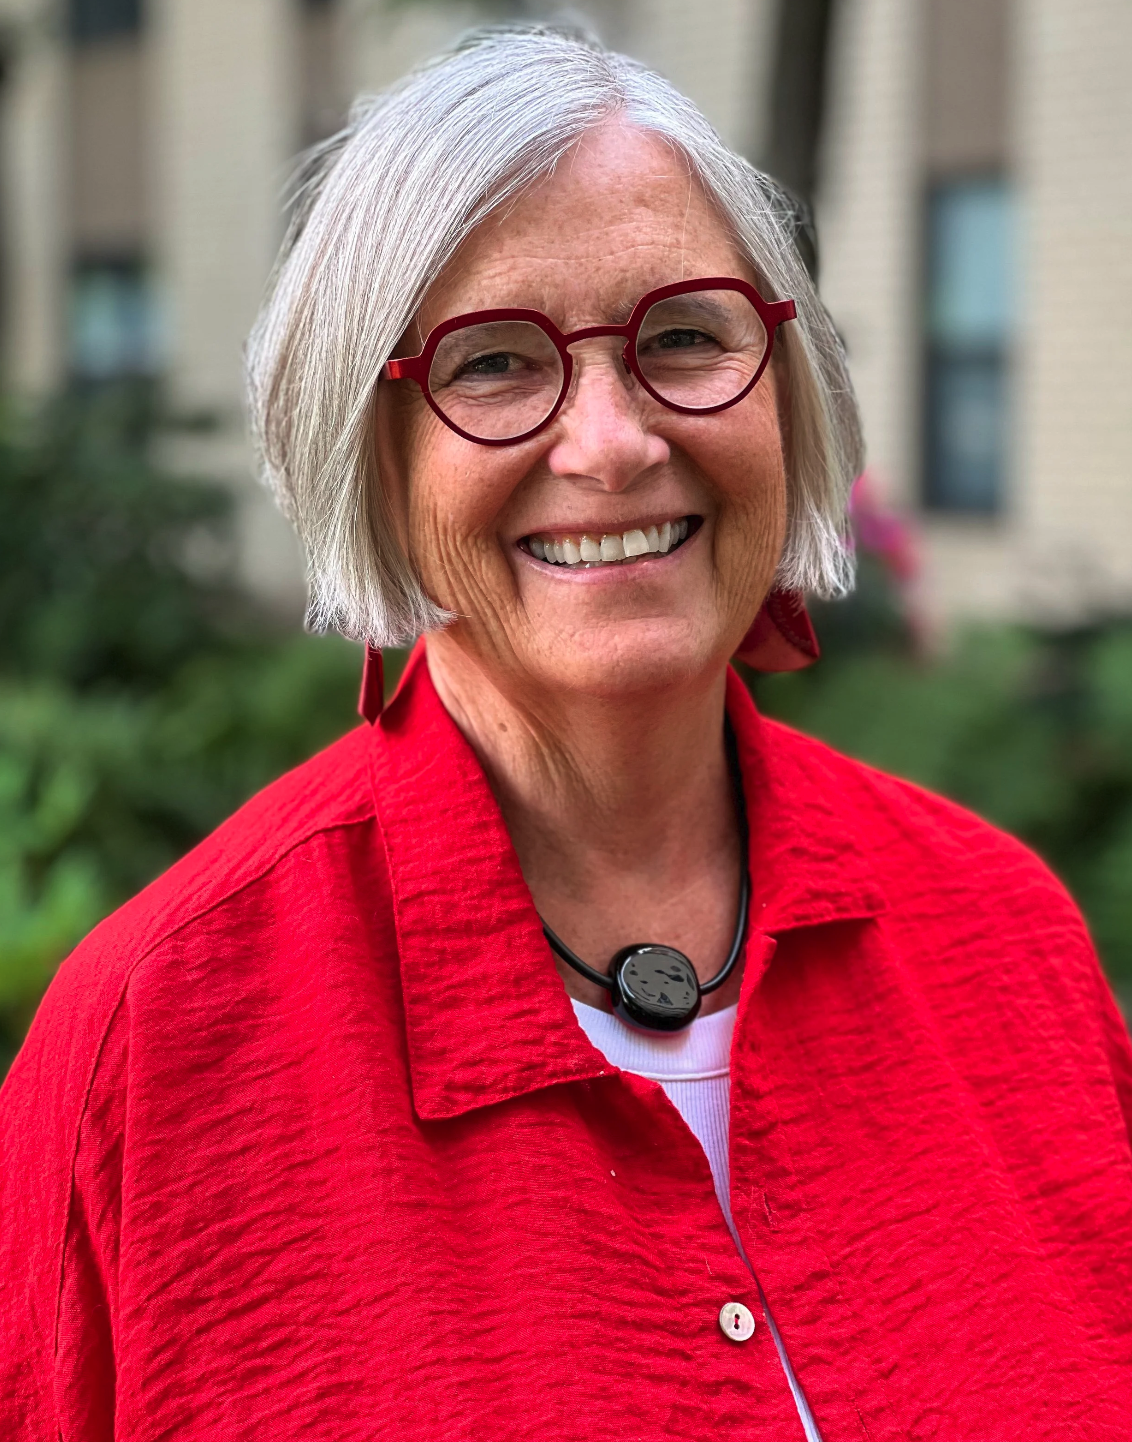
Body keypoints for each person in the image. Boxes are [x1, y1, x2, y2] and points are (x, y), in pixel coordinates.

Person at [3, 25, 1131, 1441]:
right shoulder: (151, 1050)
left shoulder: (1005, 937)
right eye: (491, 363)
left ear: (788, 387)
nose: (611, 442)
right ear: (371, 451)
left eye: (684, 338)